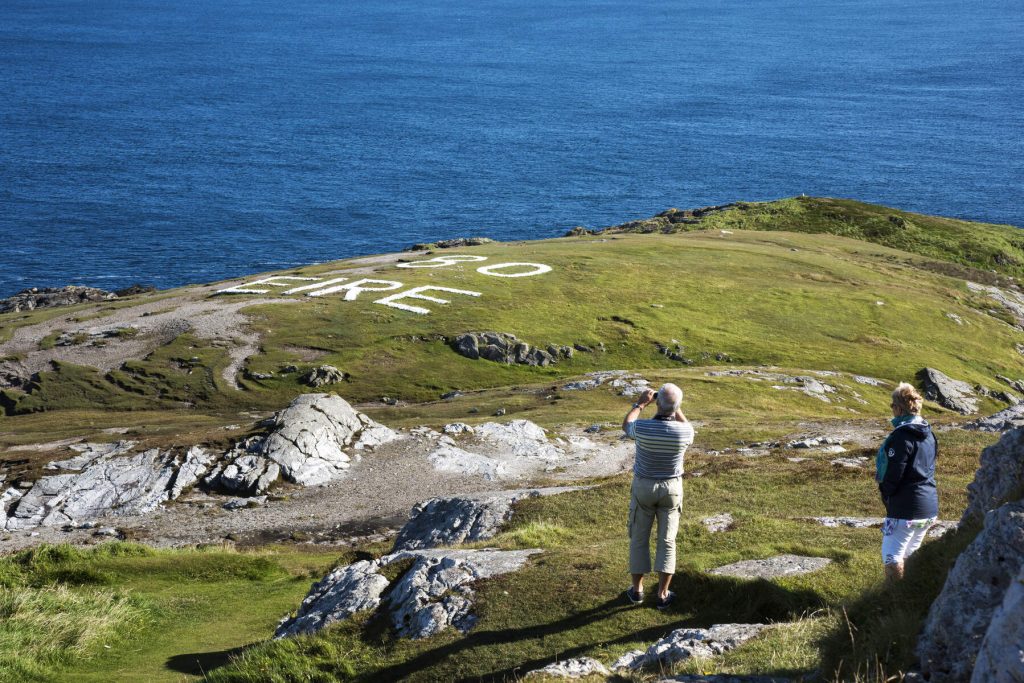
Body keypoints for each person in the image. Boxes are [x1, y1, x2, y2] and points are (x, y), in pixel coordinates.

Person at [622, 383, 695, 609]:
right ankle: (663, 595)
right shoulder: (685, 432)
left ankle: (637, 591)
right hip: (671, 488)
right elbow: (685, 423)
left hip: (644, 486)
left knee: (639, 537)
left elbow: (627, 425)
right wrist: (675, 407)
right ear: (677, 407)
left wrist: (641, 403)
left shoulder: (643, 428)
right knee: (667, 540)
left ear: (657, 403)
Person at [876, 382, 938, 582]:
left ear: (899, 408)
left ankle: (895, 599)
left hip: (905, 507)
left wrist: (885, 491)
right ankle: (912, 592)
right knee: (910, 553)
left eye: (891, 406)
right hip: (928, 505)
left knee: (891, 555)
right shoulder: (929, 433)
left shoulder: (901, 436)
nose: (891, 410)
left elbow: (895, 473)